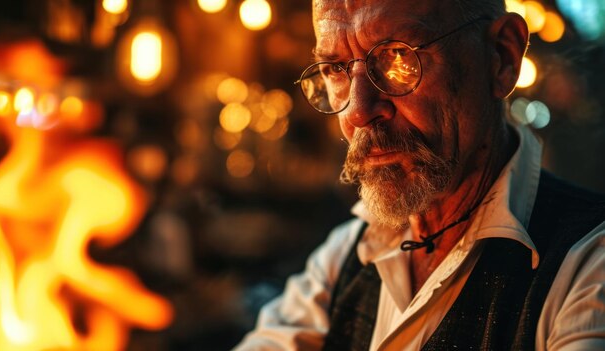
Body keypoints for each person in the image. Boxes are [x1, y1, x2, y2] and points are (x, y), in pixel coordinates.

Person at [235, 0, 605, 349]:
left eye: (398, 57)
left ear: (501, 57)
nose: (359, 112)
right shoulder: (348, 254)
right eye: (335, 69)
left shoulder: (588, 268)